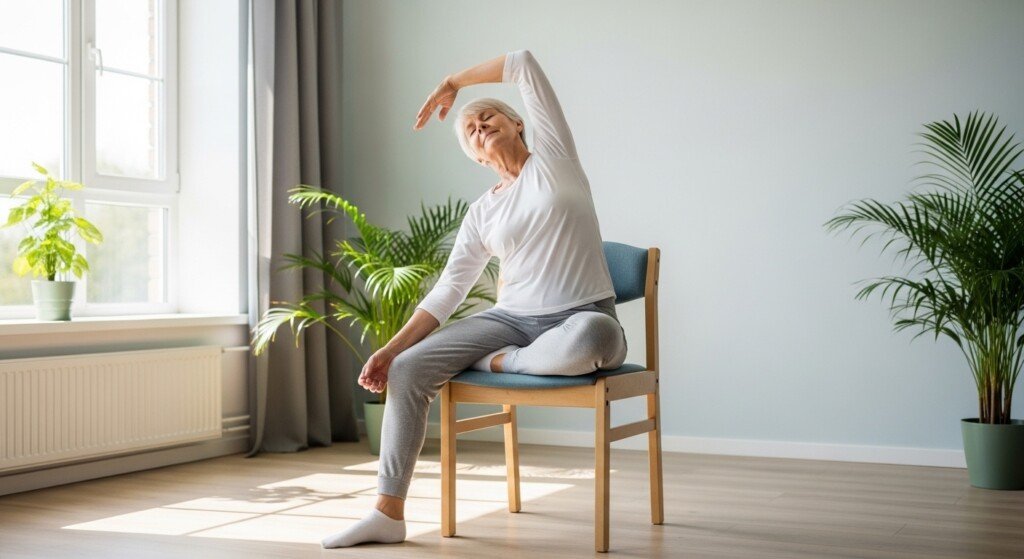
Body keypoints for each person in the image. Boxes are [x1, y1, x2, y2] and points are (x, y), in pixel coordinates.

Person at [321, 49, 628, 549]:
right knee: (408, 370)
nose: (478, 125)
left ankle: (498, 362)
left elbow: (523, 63)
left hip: (583, 316)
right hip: (510, 321)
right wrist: (391, 348)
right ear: (476, 156)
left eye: (488, 117)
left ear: (518, 124)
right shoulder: (482, 212)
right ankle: (387, 512)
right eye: (470, 131)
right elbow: (448, 290)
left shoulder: (554, 159)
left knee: (597, 336)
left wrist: (452, 83)